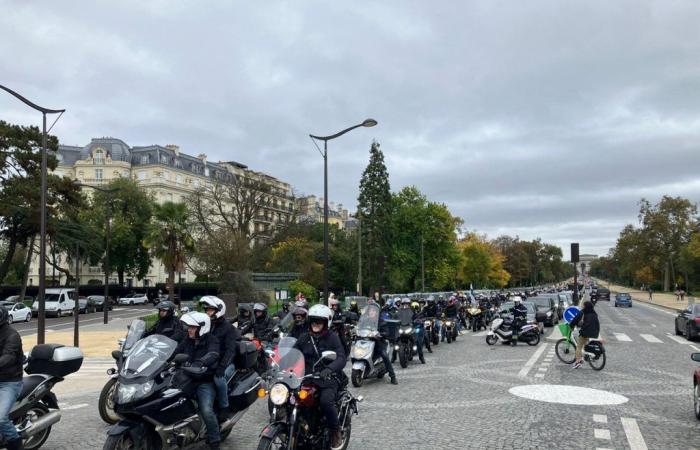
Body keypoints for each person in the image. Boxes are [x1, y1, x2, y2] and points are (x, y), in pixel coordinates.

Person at [293, 304, 346, 449]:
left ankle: (336, 432)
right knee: (289, 399)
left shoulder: (332, 338)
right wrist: (279, 365)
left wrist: (329, 369)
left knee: (325, 402)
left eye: (319, 321)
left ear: (326, 322)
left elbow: (341, 357)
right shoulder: (304, 337)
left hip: (327, 379)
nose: (316, 324)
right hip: (307, 378)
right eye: (313, 320)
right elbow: (292, 354)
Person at [175, 312, 221, 450]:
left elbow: (213, 354)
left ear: (202, 328)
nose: (189, 329)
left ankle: (215, 441)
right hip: (186, 378)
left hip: (204, 381)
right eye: (189, 326)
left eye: (193, 327)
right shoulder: (187, 340)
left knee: (206, 409)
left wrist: (201, 362)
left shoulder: (212, 340)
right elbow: (176, 351)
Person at [200, 296, 240, 421]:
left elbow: (230, 350)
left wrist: (222, 367)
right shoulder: (206, 325)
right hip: (209, 361)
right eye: (206, 310)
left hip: (226, 362)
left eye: (210, 310)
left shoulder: (228, 328)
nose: (208, 313)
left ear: (219, 311)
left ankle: (224, 407)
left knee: (218, 379)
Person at [0, 307, 23, 450]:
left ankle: (16, 444)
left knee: (0, 419)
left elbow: (8, 356)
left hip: (9, 382)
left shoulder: (12, 335)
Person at [569, 301, 600, 369]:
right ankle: (587, 355)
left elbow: (575, 320)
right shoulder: (594, 313)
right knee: (586, 343)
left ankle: (578, 361)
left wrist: (571, 325)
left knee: (579, 346)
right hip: (595, 332)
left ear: (585, 306)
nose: (583, 306)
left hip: (586, 332)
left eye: (583, 305)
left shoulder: (583, 312)